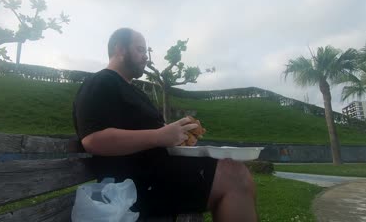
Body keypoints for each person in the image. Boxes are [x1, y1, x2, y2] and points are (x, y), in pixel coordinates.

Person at [73, 28, 257, 221]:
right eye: (140, 50)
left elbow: (155, 134)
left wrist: (178, 132)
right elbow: (93, 139)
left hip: (157, 178)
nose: (146, 57)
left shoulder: (135, 92)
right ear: (120, 50)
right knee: (234, 176)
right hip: (133, 189)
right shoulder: (100, 82)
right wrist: (160, 136)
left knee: (237, 172)